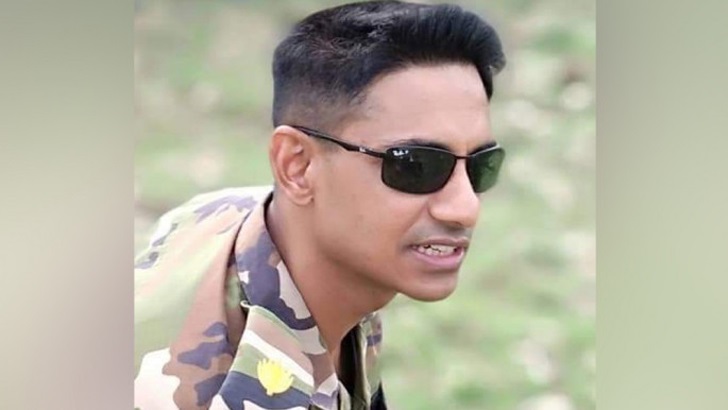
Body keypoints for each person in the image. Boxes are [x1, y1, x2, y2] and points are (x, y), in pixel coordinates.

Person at [134, 1, 506, 409]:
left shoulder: (245, 223)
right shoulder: (218, 394)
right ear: (297, 167)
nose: (465, 208)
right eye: (415, 166)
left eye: (481, 165)